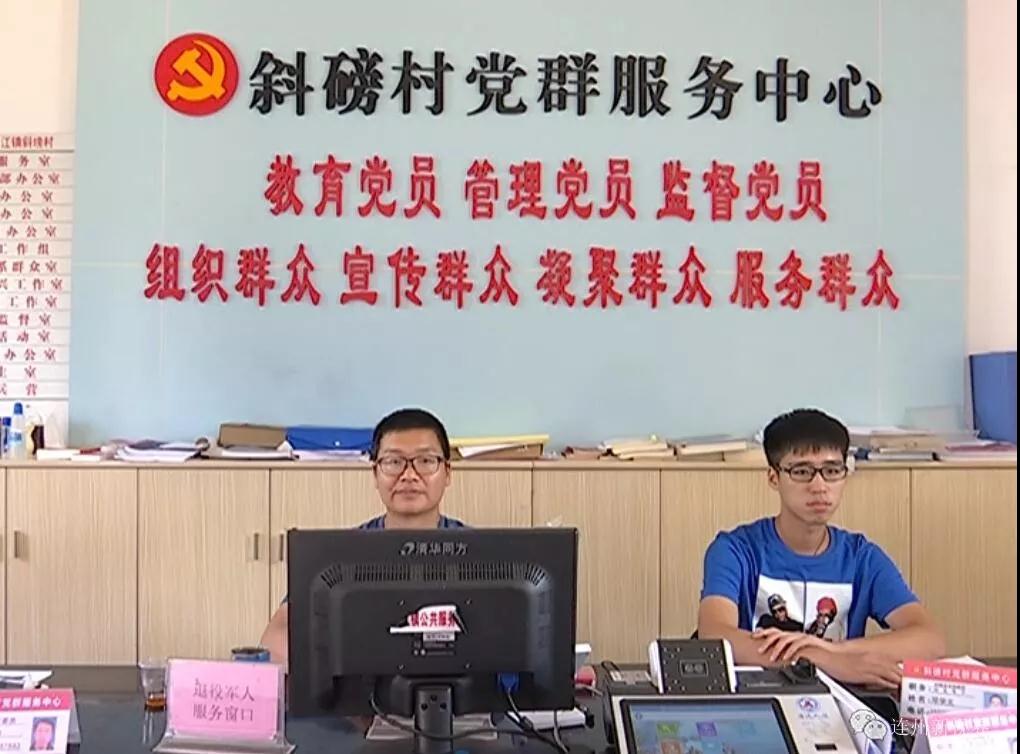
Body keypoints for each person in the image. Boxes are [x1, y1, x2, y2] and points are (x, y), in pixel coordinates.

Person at [697, 408, 945, 689]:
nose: (819, 486)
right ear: (774, 478)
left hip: (841, 706)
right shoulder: (735, 550)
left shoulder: (862, 558)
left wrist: (834, 652)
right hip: (759, 703)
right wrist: (818, 660)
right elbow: (715, 635)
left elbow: (930, 639)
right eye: (802, 472)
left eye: (832, 471)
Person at [259, 407, 465, 666]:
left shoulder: (483, 551)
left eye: (425, 461)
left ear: (447, 473)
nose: (409, 475)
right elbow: (278, 635)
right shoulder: (340, 553)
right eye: (394, 462)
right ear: (375, 474)